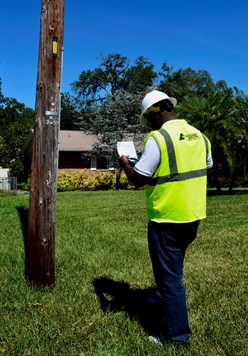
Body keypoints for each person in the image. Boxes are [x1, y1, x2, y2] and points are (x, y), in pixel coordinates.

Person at [119, 90, 213, 346]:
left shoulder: (158, 138)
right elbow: (207, 165)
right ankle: (164, 301)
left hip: (167, 219)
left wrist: (126, 163)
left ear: (155, 113)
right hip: (192, 216)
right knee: (172, 271)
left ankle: (178, 339)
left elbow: (139, 178)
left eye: (148, 119)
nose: (148, 124)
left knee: (171, 279)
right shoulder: (199, 135)